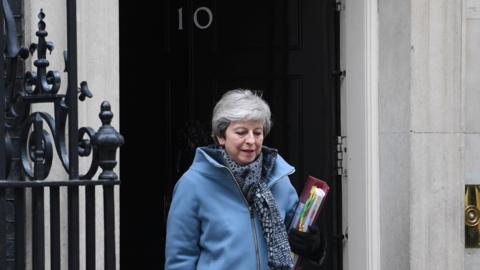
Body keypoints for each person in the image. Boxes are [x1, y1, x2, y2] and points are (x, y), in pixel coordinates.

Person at [165, 89, 325, 270]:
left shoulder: (279, 181)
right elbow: (180, 259)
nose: (251, 140)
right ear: (220, 136)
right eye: (241, 132)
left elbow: (297, 242)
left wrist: (314, 247)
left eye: (257, 133)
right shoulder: (192, 185)